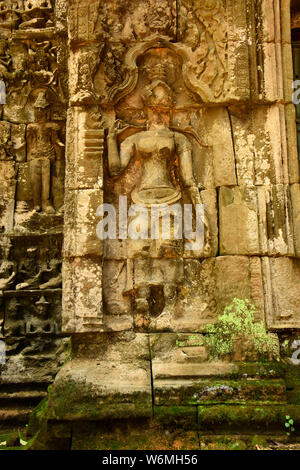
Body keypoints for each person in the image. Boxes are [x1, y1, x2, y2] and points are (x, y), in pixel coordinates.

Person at [27, 91, 64, 213]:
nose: (40, 112)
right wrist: (29, 156)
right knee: (34, 180)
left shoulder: (52, 126)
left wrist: (59, 157)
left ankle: (46, 202)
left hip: (48, 154)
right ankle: (36, 203)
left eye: (43, 109)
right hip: (35, 154)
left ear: (48, 111)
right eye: (37, 109)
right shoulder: (31, 127)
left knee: (47, 179)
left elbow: (55, 141)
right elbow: (30, 143)